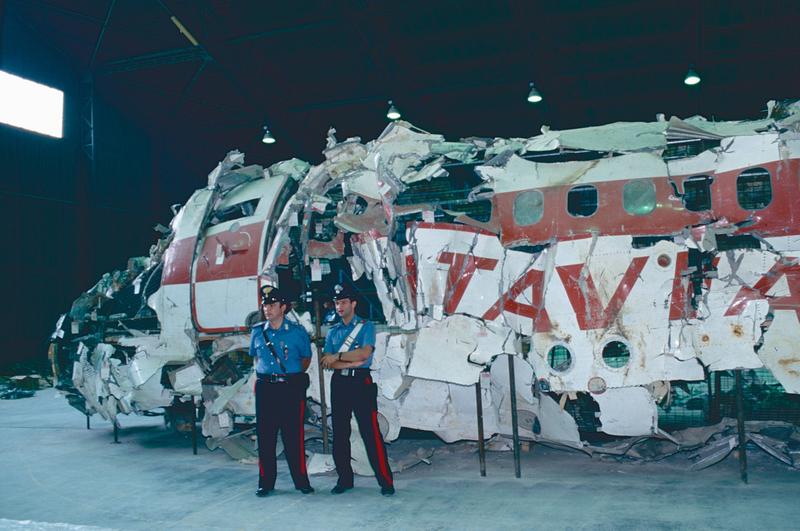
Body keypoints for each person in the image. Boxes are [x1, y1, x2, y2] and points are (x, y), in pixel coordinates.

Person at [320, 284, 395, 496]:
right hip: (340, 384)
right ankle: (344, 480)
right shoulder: (333, 331)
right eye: (336, 303)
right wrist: (345, 361)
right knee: (340, 434)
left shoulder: (365, 326)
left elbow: (364, 353)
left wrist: (339, 357)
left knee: (371, 433)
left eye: (343, 302)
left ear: (353, 303)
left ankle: (386, 481)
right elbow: (327, 362)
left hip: (361, 383)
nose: (339, 307)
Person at [251, 285, 314, 497]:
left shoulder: (297, 332)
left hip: (290, 388)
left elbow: (305, 359)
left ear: (283, 307)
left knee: (293, 437)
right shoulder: (257, 331)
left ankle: (301, 481)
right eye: (265, 305)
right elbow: (256, 357)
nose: (267, 309)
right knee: (265, 437)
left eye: (272, 305)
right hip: (265, 388)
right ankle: (266, 483)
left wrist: (287, 376)